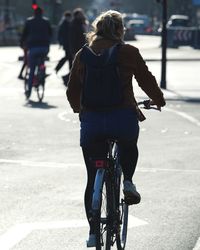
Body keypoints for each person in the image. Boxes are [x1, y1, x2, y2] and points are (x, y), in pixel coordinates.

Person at [66, 10, 166, 247]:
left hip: (92, 122)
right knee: (129, 143)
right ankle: (128, 182)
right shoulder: (128, 52)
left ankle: (92, 233)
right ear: (120, 30)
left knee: (92, 178)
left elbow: (72, 90)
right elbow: (146, 79)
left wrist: (80, 111)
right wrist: (158, 100)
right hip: (122, 117)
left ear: (97, 29)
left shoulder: (83, 54)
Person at [20, 7, 52, 99]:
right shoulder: (46, 21)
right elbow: (50, 33)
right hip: (44, 47)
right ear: (42, 13)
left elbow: (24, 34)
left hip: (33, 47)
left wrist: (21, 43)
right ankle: (42, 72)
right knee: (42, 61)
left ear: (34, 13)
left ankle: (28, 91)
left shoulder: (29, 21)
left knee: (32, 69)